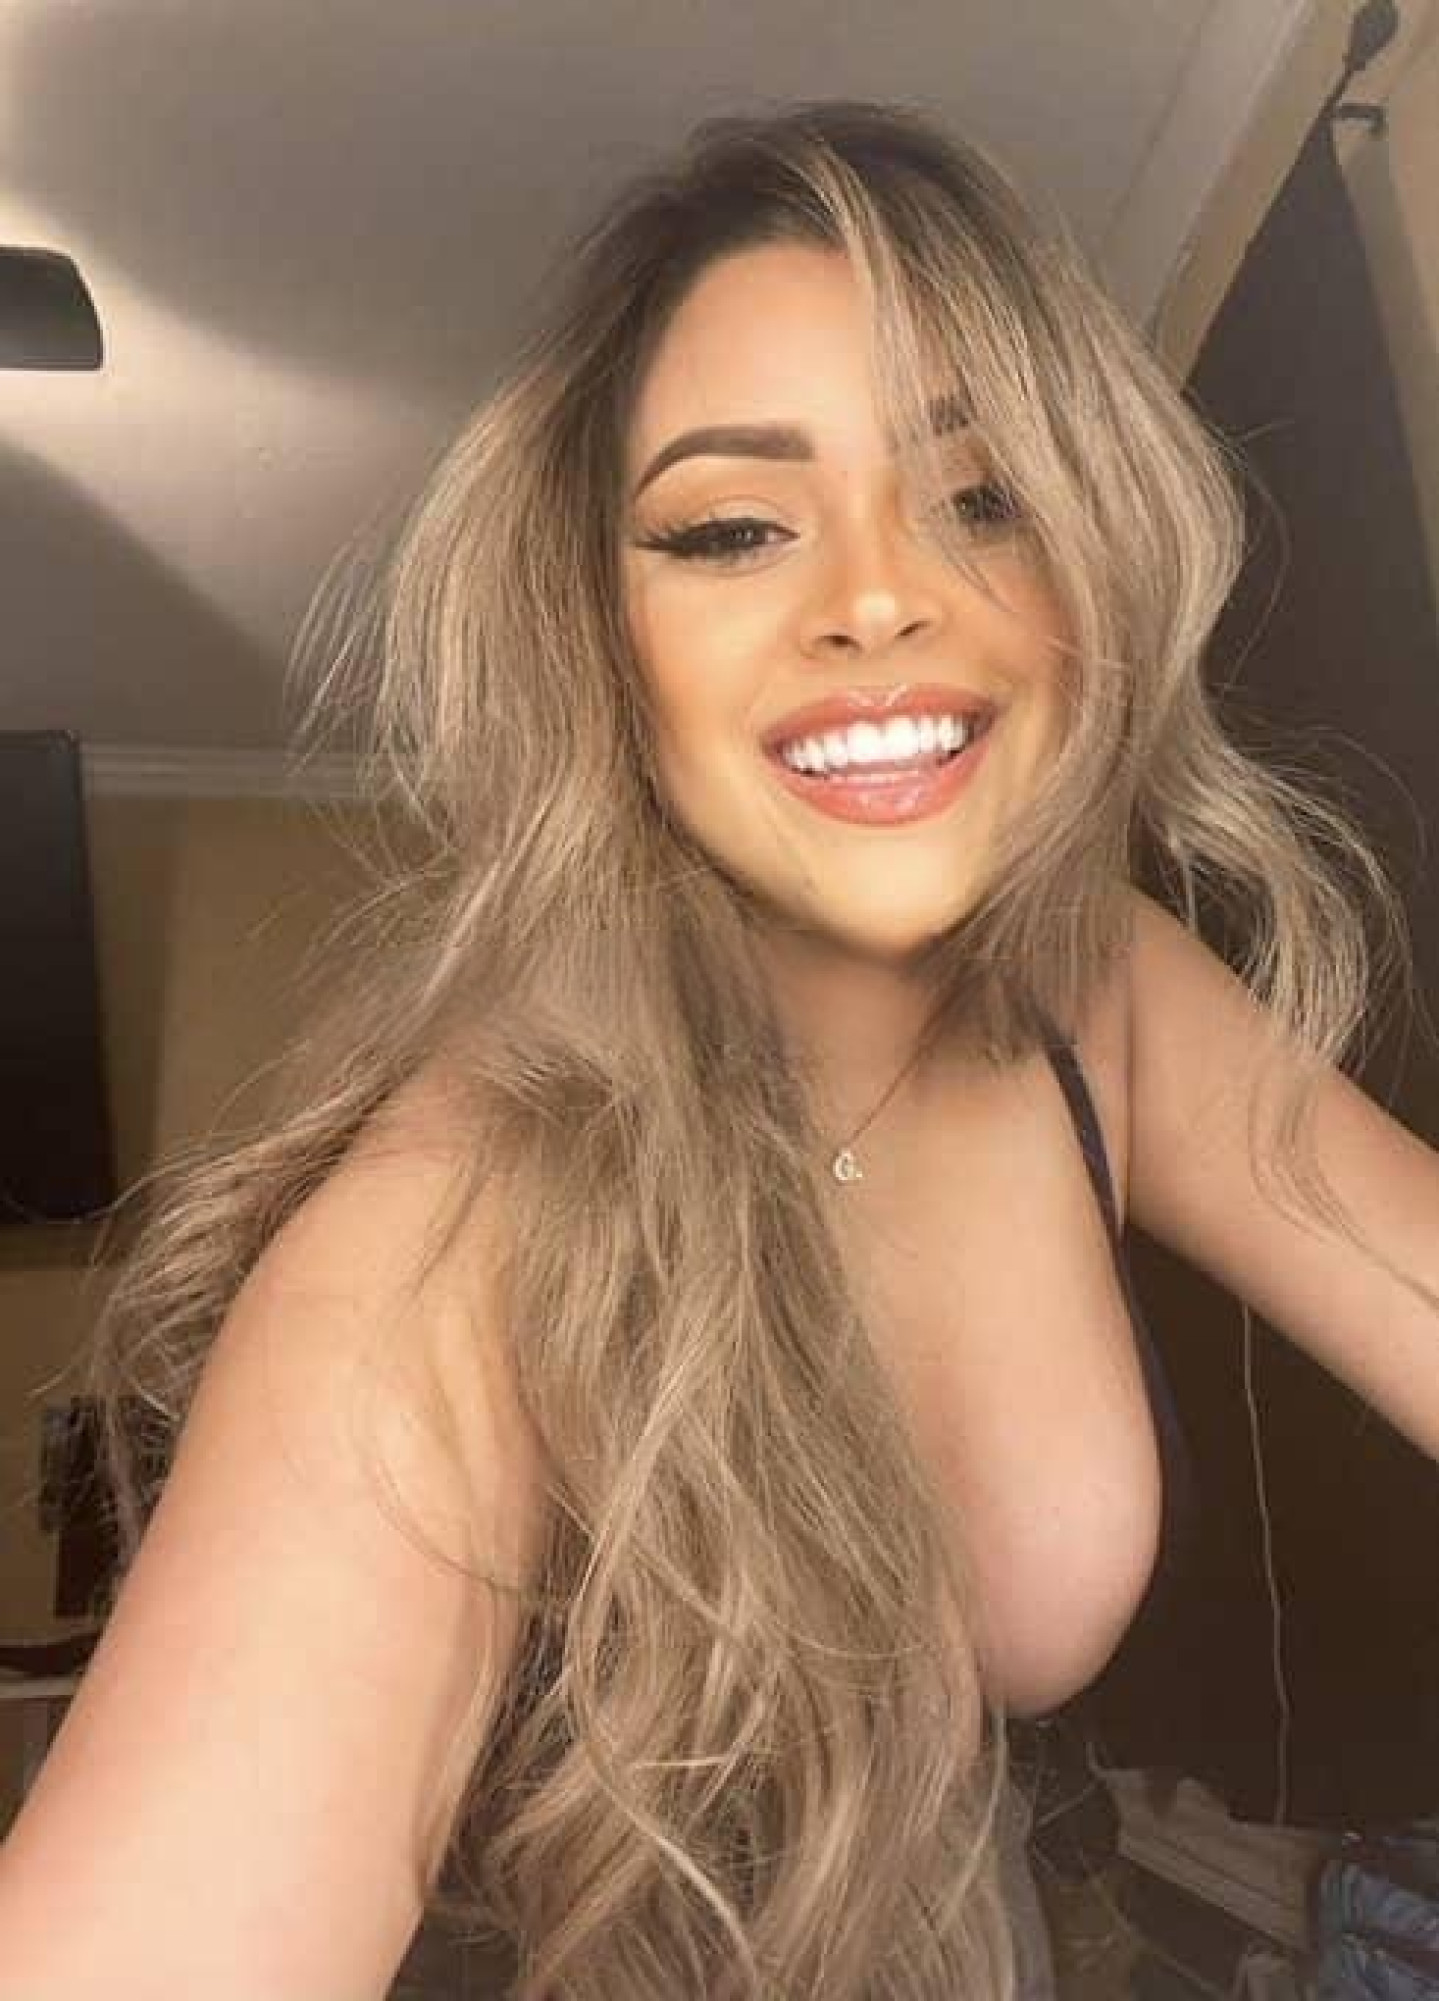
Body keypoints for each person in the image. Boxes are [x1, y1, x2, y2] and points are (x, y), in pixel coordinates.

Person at [0, 98, 1436, 2001]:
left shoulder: (1096, 984)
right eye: (734, 527)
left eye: (984, 498)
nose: (877, 595)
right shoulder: (455, 1230)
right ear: (605, 644)